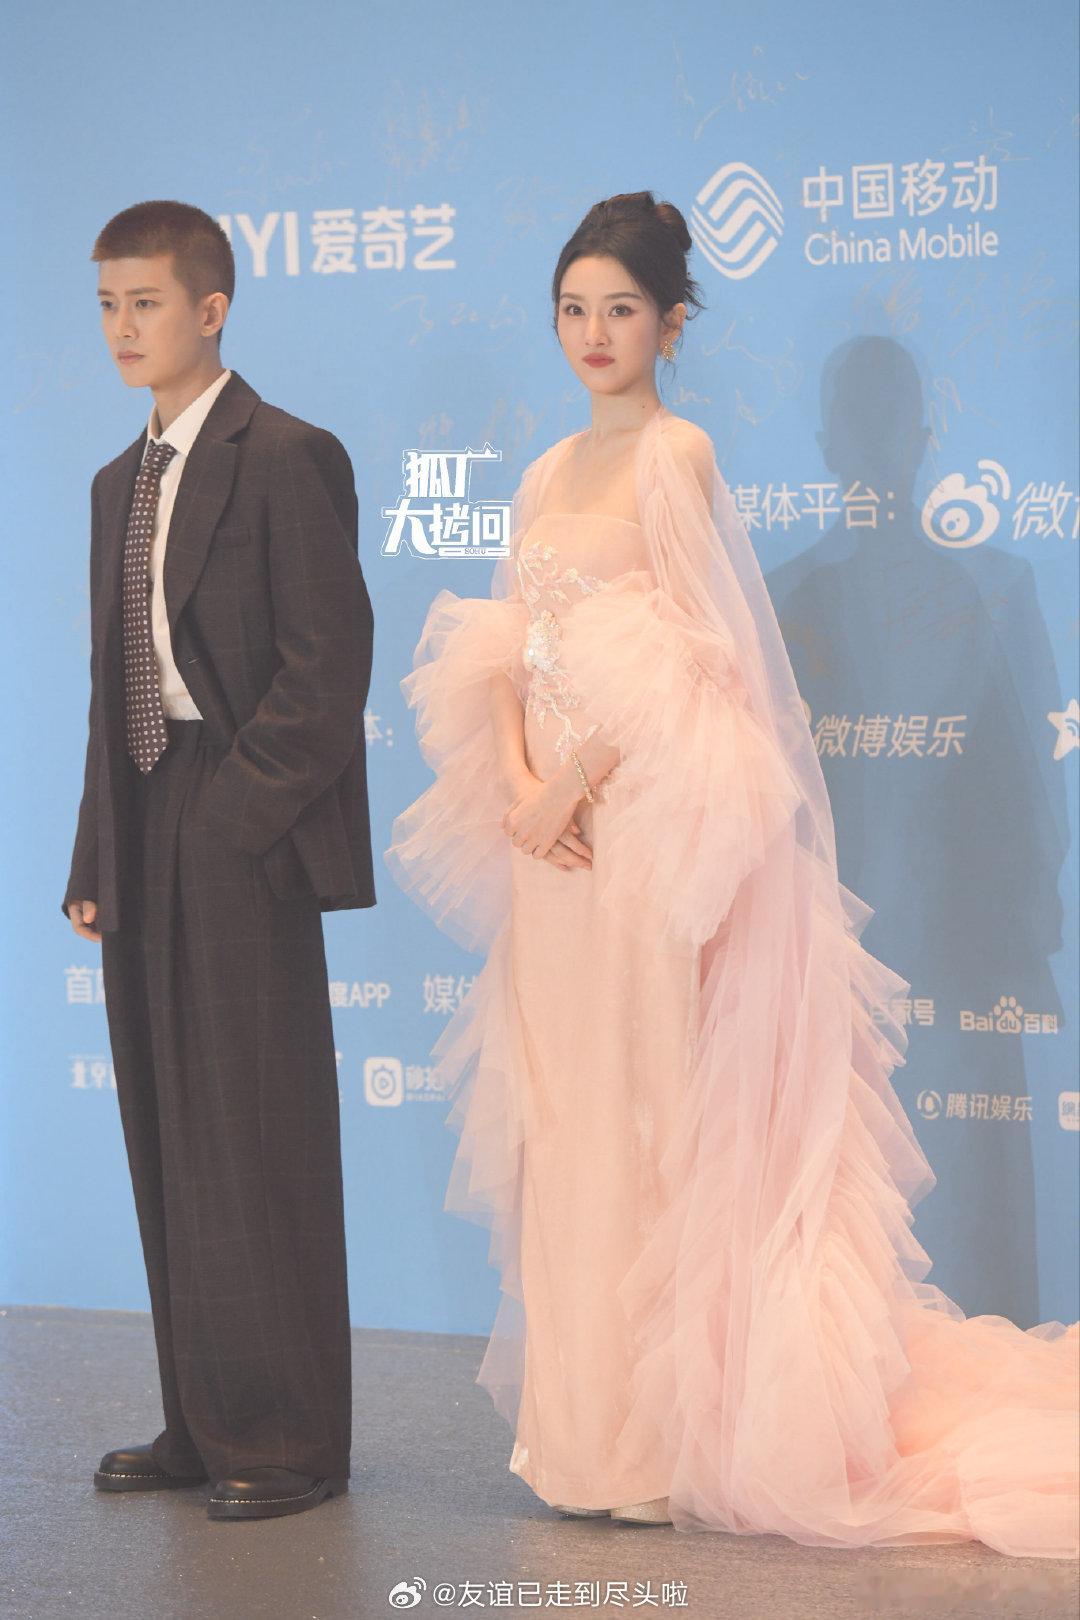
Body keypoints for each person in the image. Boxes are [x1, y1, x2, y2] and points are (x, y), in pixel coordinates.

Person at [385, 190, 1079, 1555]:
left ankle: (659, 1443)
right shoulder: (544, 472)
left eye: (621, 310)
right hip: (546, 856)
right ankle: (580, 1439)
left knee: (651, 1123)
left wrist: (575, 786)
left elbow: (702, 663)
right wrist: (520, 788)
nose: (594, 334)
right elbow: (505, 649)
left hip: (644, 845)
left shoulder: (677, 456)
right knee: (567, 1132)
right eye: (573, 310)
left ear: (671, 323)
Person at [62, 199, 375, 1521]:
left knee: (256, 1130)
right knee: (166, 1128)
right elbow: (111, 685)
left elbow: (327, 671)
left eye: (146, 302)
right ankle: (199, 1420)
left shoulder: (287, 455)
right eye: (107, 305)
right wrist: (99, 848)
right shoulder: (114, 482)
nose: (122, 328)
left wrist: (230, 821)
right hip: (142, 812)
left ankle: (288, 1438)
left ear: (212, 308)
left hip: (239, 813)